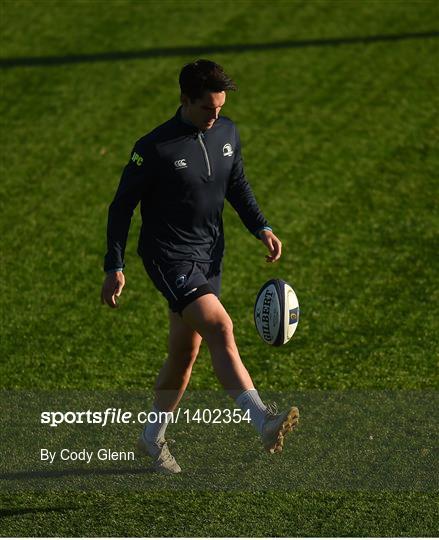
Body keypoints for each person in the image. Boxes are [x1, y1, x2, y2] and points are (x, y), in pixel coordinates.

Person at [101, 59, 299, 474]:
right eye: (207, 108)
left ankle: (151, 438)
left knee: (184, 353)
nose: (215, 116)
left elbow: (237, 184)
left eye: (220, 108)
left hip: (210, 254)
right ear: (184, 100)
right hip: (167, 256)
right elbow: (121, 207)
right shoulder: (154, 148)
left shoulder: (226, 132)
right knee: (220, 326)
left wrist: (260, 226)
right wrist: (114, 265)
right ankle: (262, 419)